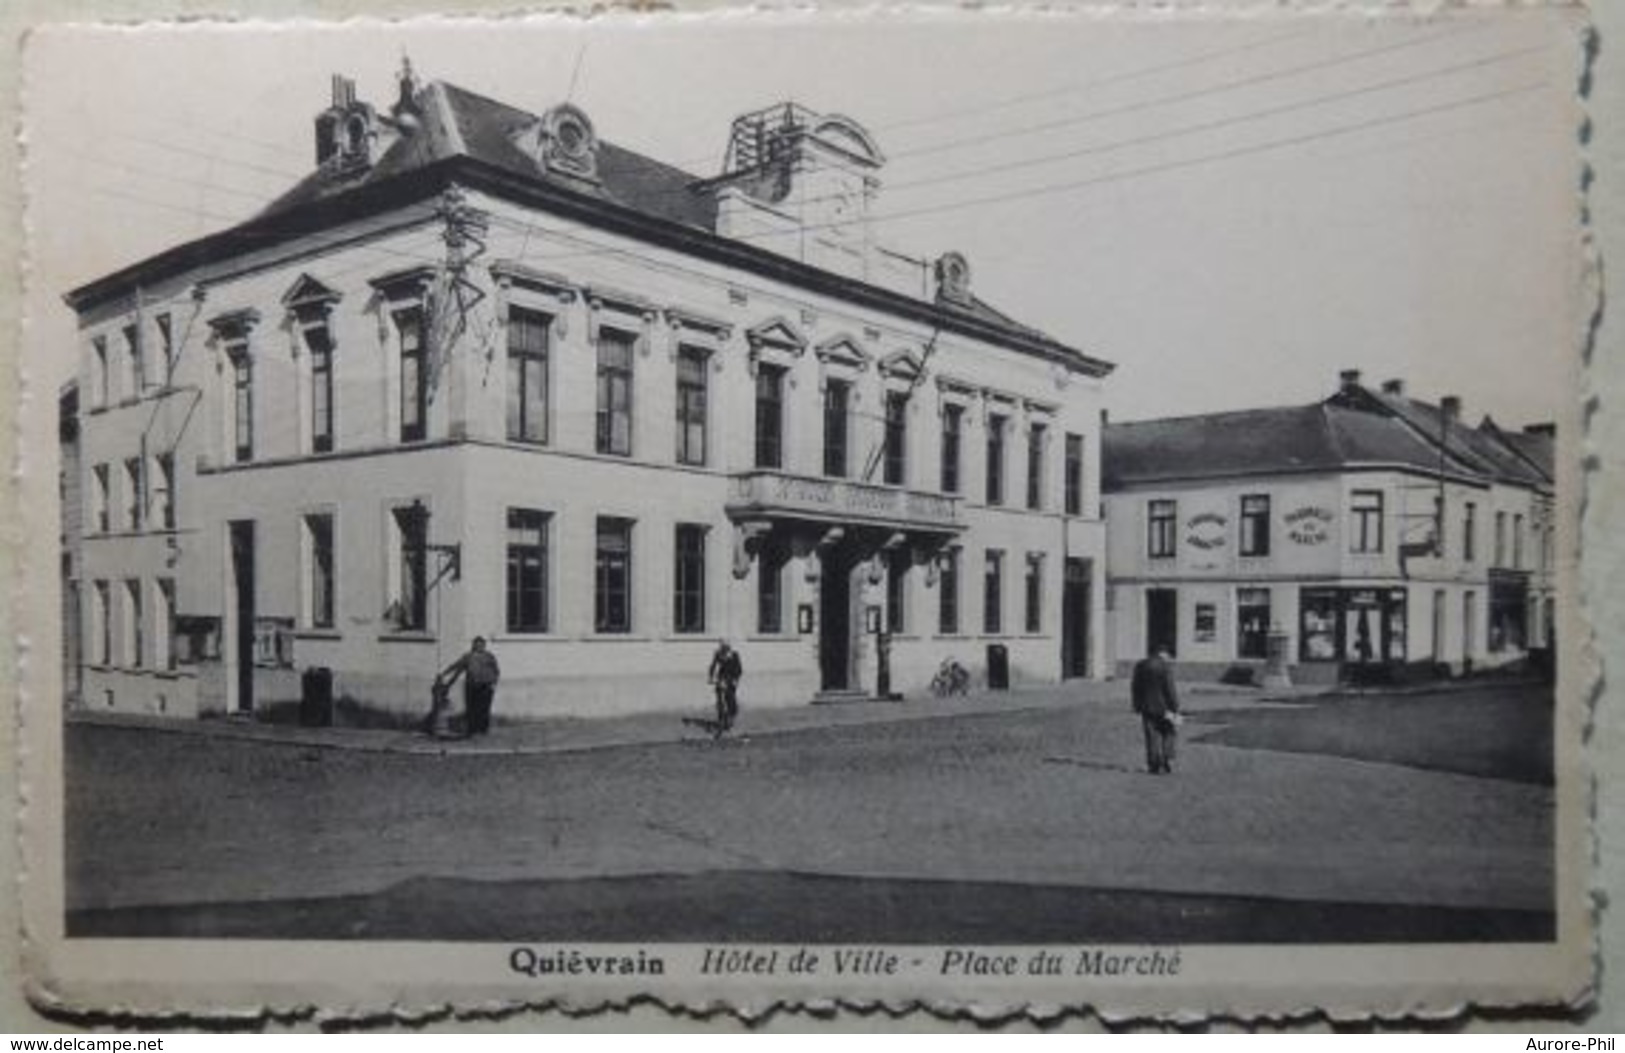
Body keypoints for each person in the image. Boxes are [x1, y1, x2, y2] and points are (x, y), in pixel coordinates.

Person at [1130, 645, 1181, 775]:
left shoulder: (1140, 665)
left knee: (1151, 736)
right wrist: (1175, 706)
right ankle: (1166, 760)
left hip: (1146, 707)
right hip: (1165, 708)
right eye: (1168, 656)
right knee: (1168, 732)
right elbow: (1170, 689)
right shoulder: (1165, 667)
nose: (1169, 659)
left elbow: (1135, 687)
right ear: (1163, 654)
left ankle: (1154, 765)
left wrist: (1136, 705)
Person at [439, 636, 501, 737]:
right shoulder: (468, 656)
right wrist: (445, 673)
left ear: (484, 646)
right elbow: (456, 666)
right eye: (477, 644)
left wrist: (493, 683)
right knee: (472, 708)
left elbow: (496, 671)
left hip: (486, 686)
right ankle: (472, 729)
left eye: (481, 645)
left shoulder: (489, 656)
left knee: (484, 708)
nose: (479, 647)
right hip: (472, 686)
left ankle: (482, 729)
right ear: (473, 645)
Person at [707, 640, 743, 735]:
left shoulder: (734, 655)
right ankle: (721, 721)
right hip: (721, 679)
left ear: (729, 647)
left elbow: (739, 669)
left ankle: (730, 717)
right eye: (722, 647)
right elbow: (713, 666)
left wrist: (735, 680)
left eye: (725, 647)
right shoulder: (718, 654)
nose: (723, 649)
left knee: (731, 701)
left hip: (731, 680)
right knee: (720, 701)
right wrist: (711, 677)